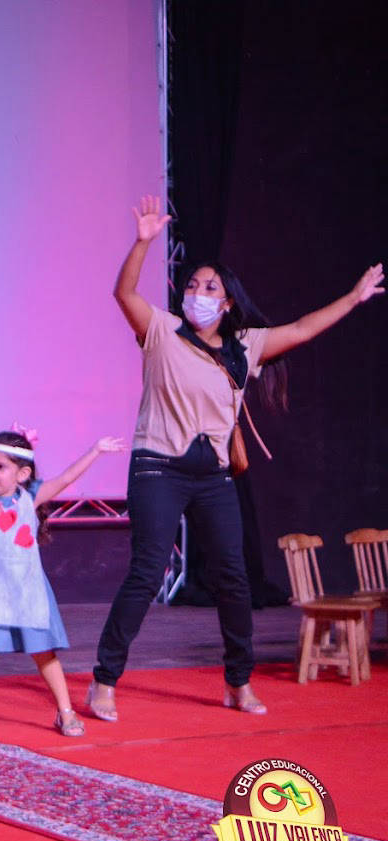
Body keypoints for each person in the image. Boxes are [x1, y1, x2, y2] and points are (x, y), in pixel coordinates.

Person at [90, 195, 385, 720]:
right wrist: (142, 242)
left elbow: (302, 329)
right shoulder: (161, 330)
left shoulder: (245, 345)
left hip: (213, 476)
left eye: (210, 288)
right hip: (158, 468)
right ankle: (105, 681)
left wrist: (353, 298)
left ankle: (238, 682)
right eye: (192, 285)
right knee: (147, 572)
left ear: (227, 303)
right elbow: (123, 293)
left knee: (233, 577)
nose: (197, 293)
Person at [0, 396, 123, 737]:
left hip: (26, 596)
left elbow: (67, 477)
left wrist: (95, 450)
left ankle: (65, 711)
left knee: (44, 654)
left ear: (23, 473)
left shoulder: (31, 496)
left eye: (1, 467)